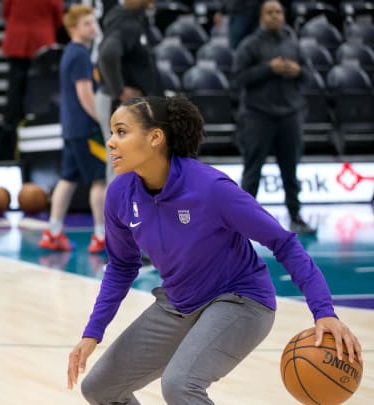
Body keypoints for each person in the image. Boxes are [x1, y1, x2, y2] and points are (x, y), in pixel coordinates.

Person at [66, 95, 362, 404]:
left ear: (155, 137)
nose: (111, 142)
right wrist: (92, 333)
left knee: (180, 384)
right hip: (179, 302)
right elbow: (122, 266)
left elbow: (283, 242)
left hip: (240, 300)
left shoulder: (211, 189)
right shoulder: (119, 194)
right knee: (99, 389)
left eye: (121, 132)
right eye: (112, 132)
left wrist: (323, 311)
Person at [233, 0, 315, 234]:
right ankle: (242, 221)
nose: (275, 16)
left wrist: (298, 71)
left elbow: (310, 75)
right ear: (261, 17)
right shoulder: (249, 45)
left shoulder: (293, 44)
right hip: (258, 116)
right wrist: (269, 68)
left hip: (290, 115)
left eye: (278, 12)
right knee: (252, 172)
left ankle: (296, 216)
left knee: (291, 172)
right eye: (269, 12)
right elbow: (238, 79)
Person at [38, 5, 107, 254]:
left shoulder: (71, 52)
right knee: (100, 180)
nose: (93, 27)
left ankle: (53, 231)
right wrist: (104, 121)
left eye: (93, 22)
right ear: (73, 28)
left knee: (68, 179)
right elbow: (85, 95)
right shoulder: (79, 54)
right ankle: (101, 235)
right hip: (86, 128)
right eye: (87, 23)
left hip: (71, 127)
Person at [95, 0, 162, 182]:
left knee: (127, 160)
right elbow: (108, 55)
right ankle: (115, 210)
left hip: (123, 103)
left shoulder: (132, 19)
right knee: (119, 159)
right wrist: (119, 90)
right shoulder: (125, 23)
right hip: (118, 103)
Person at [0, 0, 63, 157]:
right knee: (42, 89)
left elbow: (5, 11)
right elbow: (58, 15)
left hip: (17, 37)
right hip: (42, 37)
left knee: (15, 89)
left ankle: (10, 132)